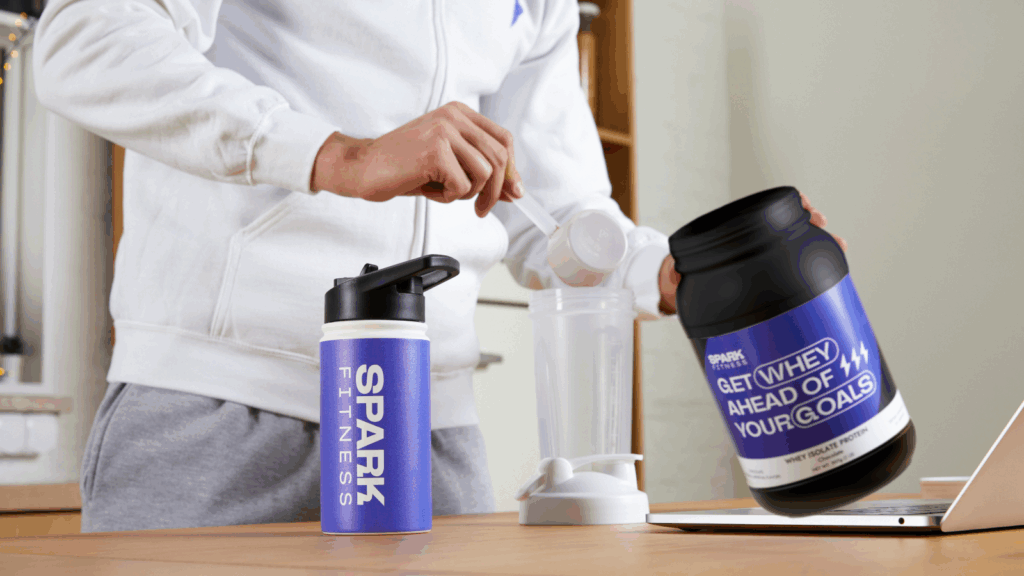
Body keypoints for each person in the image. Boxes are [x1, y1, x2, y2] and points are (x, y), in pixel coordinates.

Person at [34, 0, 836, 532]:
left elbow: (551, 216)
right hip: (220, 410)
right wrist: (335, 155)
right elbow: (80, 42)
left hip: (431, 432)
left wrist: (663, 270)